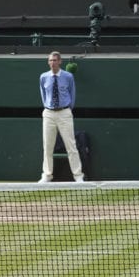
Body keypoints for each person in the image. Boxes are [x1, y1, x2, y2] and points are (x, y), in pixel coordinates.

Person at [38, 51, 84, 183]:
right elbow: (43, 95)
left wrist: (67, 109)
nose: (52, 63)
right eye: (50, 60)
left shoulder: (68, 76)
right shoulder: (43, 77)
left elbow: (72, 94)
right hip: (48, 113)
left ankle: (78, 175)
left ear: (60, 62)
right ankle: (47, 174)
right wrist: (49, 107)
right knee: (47, 145)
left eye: (54, 60)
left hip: (64, 113)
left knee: (71, 145)